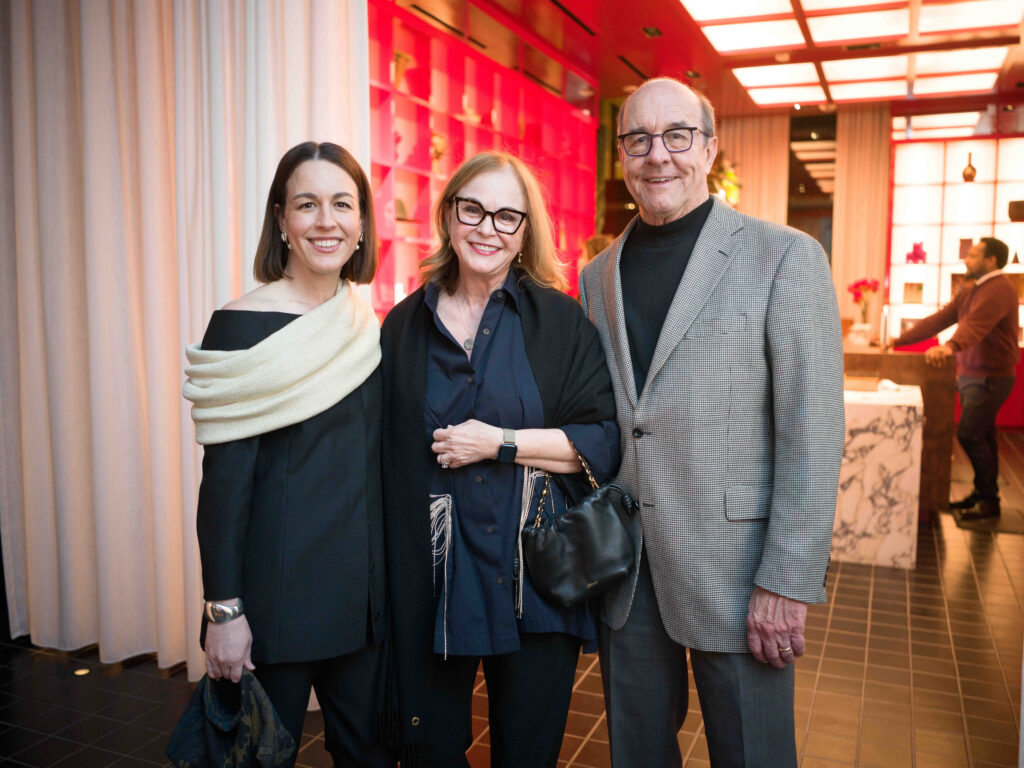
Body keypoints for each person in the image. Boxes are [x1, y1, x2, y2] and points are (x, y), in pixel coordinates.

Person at [578, 77, 845, 768]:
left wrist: (786, 578)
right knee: (637, 753)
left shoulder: (783, 256)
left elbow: (812, 431)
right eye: (638, 138)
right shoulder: (595, 275)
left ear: (709, 146)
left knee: (752, 753)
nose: (657, 155)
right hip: (626, 570)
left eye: (677, 136)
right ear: (621, 154)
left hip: (740, 571)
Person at [380, 150, 620, 768]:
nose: (488, 228)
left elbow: (600, 440)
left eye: (507, 217)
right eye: (474, 209)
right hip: (434, 582)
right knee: (431, 752)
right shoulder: (404, 325)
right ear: (449, 216)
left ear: (524, 234)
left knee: (527, 756)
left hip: (533, 578)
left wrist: (500, 442)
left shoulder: (561, 324)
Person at [182, 142, 389, 767]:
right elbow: (223, 490)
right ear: (281, 220)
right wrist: (225, 611)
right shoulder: (241, 324)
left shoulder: (364, 321)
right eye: (307, 204)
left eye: (341, 204)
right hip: (276, 606)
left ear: (361, 223)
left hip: (364, 605)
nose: (326, 221)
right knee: (260, 761)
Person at [891, 237, 1019, 521]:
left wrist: (950, 347)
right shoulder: (973, 287)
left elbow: (976, 324)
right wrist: (897, 341)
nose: (966, 260)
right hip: (974, 374)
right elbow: (940, 319)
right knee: (983, 435)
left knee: (970, 434)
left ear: (991, 261)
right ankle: (984, 496)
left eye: (973, 256)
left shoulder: (999, 288)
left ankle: (988, 501)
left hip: (991, 377)